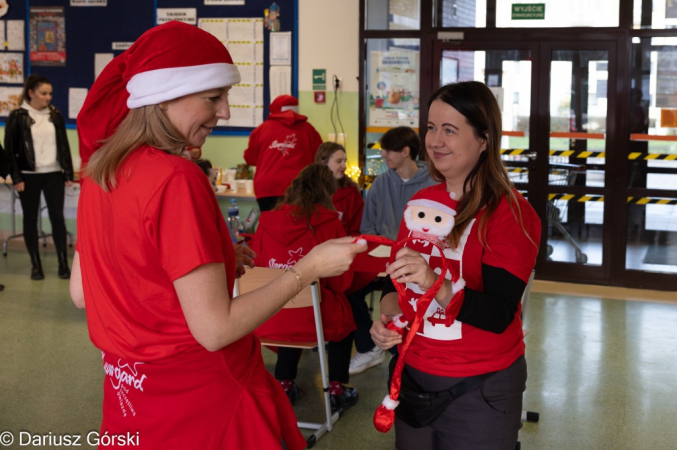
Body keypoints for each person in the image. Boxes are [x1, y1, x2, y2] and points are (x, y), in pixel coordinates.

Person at [71, 21, 366, 450]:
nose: (225, 112)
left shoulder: (99, 171)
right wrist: (307, 269)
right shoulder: (177, 178)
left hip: (130, 397)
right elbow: (213, 329)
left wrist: (210, 258)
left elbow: (85, 290)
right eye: (214, 97)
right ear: (164, 95)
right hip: (203, 402)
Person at [370, 81, 541, 449]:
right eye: (431, 127)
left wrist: (436, 282)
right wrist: (385, 321)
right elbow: (392, 284)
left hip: (479, 385)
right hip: (413, 375)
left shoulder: (509, 213)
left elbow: (498, 313)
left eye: (450, 130)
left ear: (484, 139)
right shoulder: (420, 202)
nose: (435, 141)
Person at [251, 163, 359, 410]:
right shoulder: (330, 223)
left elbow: (256, 269)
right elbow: (342, 282)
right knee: (344, 320)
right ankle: (336, 388)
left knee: (293, 310)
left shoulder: (266, 222)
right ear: (327, 192)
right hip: (312, 318)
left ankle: (284, 383)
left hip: (269, 314)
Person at [349, 126, 437, 375]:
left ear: (406, 151)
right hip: (382, 258)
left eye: (388, 150)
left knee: (407, 297)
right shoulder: (380, 183)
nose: (384, 155)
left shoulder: (432, 183)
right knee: (347, 291)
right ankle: (369, 348)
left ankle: (405, 356)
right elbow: (368, 227)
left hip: (417, 263)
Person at [3, 74, 74, 280]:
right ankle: (36, 265)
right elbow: (10, 149)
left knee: (57, 218)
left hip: (53, 174)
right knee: (30, 219)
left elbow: (64, 146)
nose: (48, 97)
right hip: (28, 176)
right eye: (43, 93)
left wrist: (67, 172)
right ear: (31, 93)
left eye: (50, 93)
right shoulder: (17, 116)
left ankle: (63, 263)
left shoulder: (56, 114)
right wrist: (16, 178)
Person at [243, 94, 323, 212]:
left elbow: (250, 159)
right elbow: (320, 158)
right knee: (299, 227)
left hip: (267, 189)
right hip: (300, 188)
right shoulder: (309, 130)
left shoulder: (261, 130)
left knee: (271, 226)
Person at [315, 141, 363, 236]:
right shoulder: (308, 191)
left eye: (344, 161)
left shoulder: (351, 193)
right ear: (323, 162)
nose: (344, 166)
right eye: (339, 161)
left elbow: (356, 230)